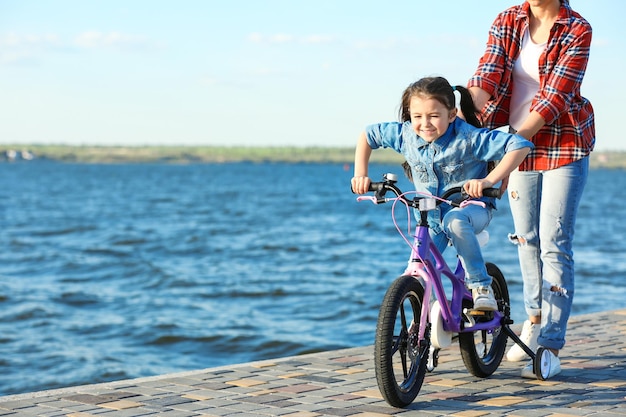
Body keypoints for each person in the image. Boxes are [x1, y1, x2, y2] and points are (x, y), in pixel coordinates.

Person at [468, 0, 594, 378]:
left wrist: (510, 147)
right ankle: (534, 319)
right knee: (526, 239)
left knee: (555, 242)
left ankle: (551, 344)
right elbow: (487, 75)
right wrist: (462, 115)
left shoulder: (577, 28)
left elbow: (554, 98)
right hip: (516, 144)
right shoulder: (508, 19)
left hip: (563, 144)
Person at [351, 76, 533, 312]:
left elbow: (520, 145)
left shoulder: (468, 138)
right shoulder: (406, 135)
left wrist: (489, 180)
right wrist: (360, 174)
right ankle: (430, 319)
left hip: (470, 210)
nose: (424, 123)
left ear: (451, 113)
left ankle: (480, 286)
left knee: (454, 220)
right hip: (430, 219)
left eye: (433, 116)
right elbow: (368, 135)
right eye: (417, 116)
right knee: (419, 267)